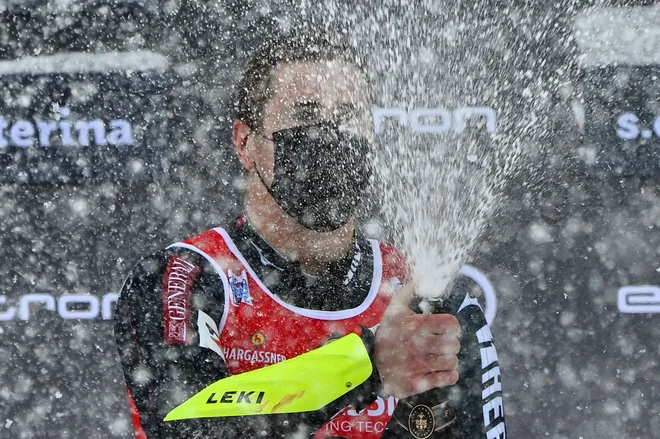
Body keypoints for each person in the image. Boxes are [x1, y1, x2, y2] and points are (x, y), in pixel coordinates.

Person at [114, 32, 506, 439]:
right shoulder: (183, 276)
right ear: (245, 142)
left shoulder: (429, 300)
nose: (329, 136)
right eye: (306, 114)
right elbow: (186, 425)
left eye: (348, 117)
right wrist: (368, 365)